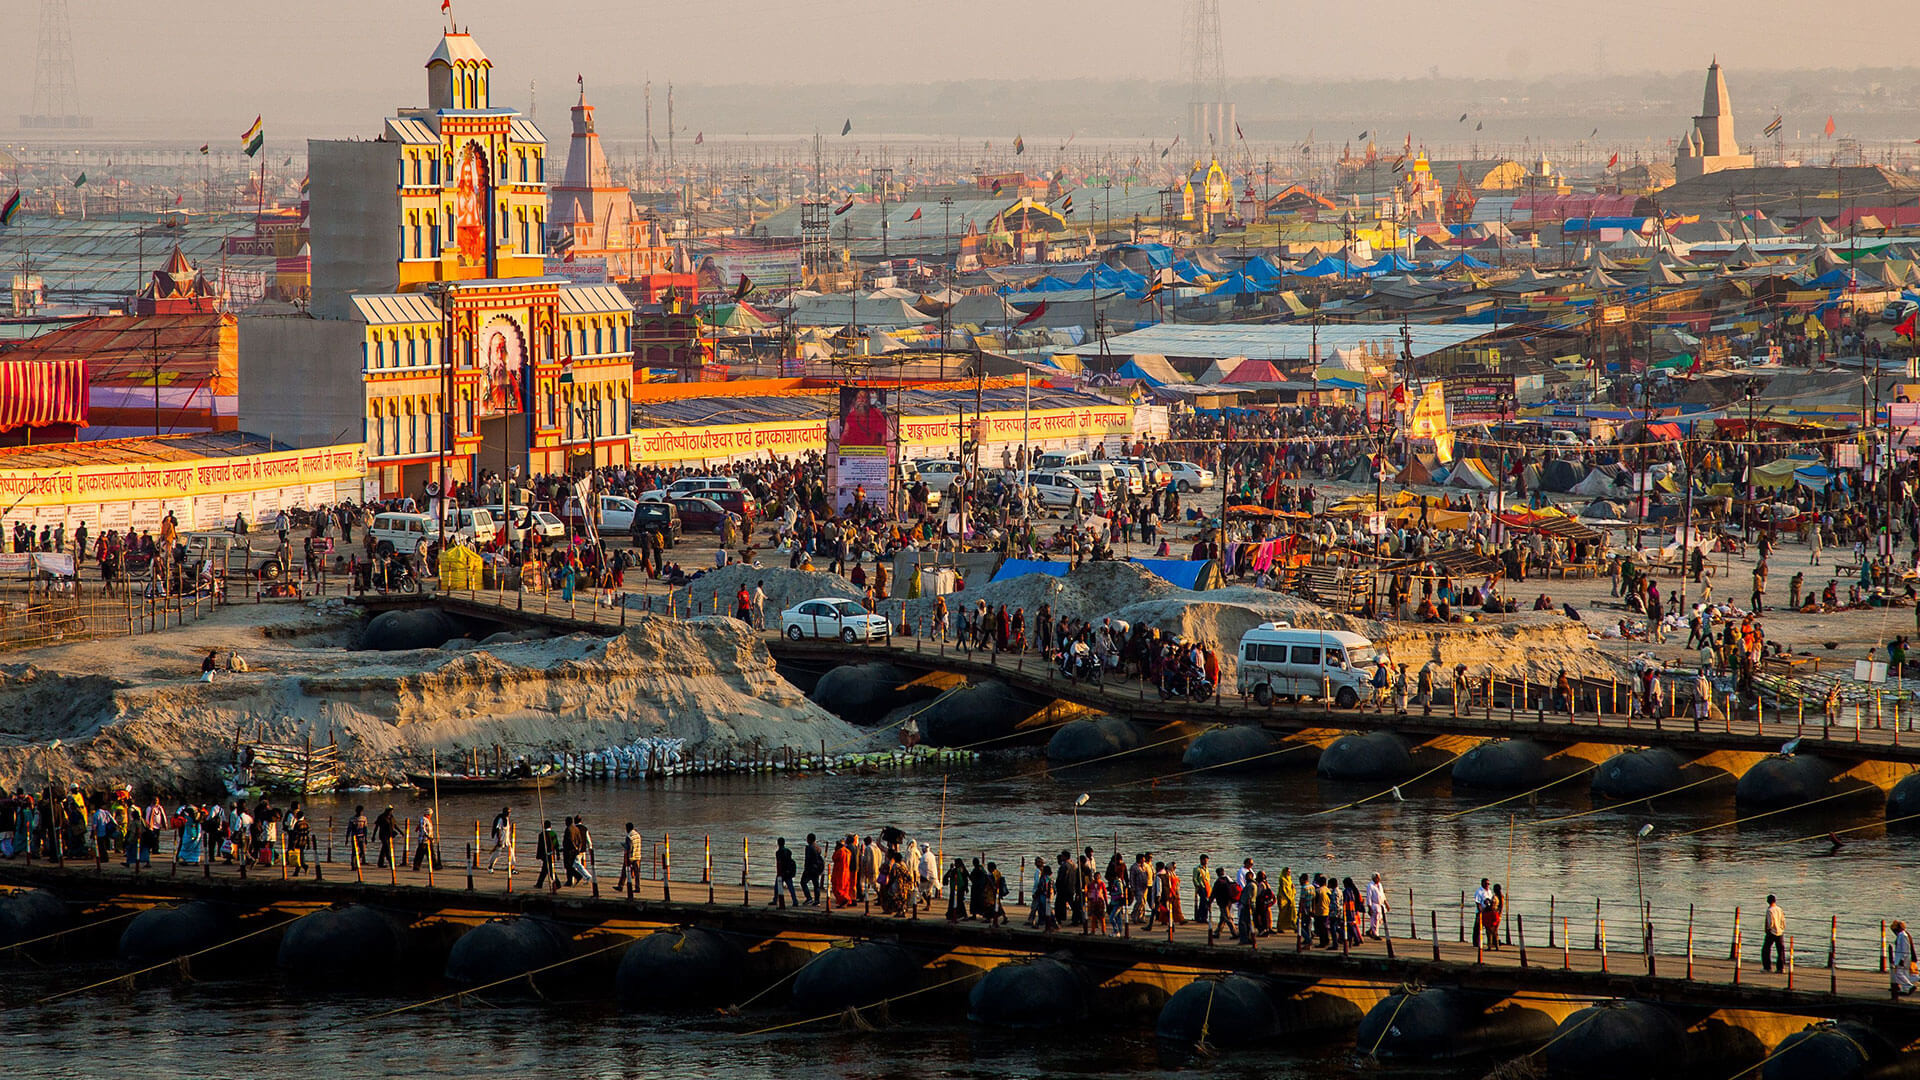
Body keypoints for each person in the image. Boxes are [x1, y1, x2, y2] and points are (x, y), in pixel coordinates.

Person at [1892, 920, 1916, 999]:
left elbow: (1905, 948)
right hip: (1903, 957)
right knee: (1905, 974)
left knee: (1899, 973)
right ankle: (1905, 989)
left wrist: (1902, 959)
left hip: (1903, 958)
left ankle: (1909, 986)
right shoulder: (1901, 935)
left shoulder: (1903, 935)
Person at [1762, 894, 1786, 972]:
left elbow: (1770, 922)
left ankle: (1767, 967)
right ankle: (1781, 968)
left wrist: (1768, 929)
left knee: (1766, 949)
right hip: (1780, 931)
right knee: (1780, 950)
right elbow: (1783, 920)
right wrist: (1782, 928)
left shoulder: (1769, 910)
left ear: (1768, 901)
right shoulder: (1780, 909)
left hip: (1772, 932)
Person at [800, 833, 825, 906]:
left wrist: (806, 868)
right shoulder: (818, 847)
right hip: (817, 868)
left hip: (810, 868)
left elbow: (807, 859)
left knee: (803, 882)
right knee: (816, 885)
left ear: (809, 839)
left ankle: (809, 898)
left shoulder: (809, 848)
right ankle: (817, 901)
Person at [485, 805, 511, 872]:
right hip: (500, 838)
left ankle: (511, 867)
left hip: (506, 839)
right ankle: (490, 867)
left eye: (509, 812)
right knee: (497, 853)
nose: (509, 814)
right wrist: (499, 840)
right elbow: (498, 829)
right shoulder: (500, 819)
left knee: (510, 852)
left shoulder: (507, 819)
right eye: (508, 812)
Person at [774, 837, 798, 908]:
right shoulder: (788, 851)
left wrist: (779, 873)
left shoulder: (778, 853)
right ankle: (795, 901)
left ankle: (775, 900)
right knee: (791, 887)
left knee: (777, 887)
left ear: (778, 843)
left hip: (782, 872)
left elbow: (779, 863)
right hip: (788, 871)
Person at [1473, 878, 1495, 949]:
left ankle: (1491, 942)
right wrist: (1480, 912)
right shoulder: (1479, 891)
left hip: (1488, 911)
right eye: (1486, 884)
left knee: (1489, 928)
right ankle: (1476, 942)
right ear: (1482, 883)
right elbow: (1478, 902)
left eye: (1488, 884)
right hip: (1481, 911)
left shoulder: (1489, 891)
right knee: (1478, 927)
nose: (1487, 885)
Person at [1366, 873, 1388, 939]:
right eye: (1377, 878)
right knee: (1375, 920)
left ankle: (1371, 930)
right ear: (1374, 878)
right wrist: (1369, 907)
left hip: (1381, 904)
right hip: (1374, 904)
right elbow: (1369, 897)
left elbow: (1383, 895)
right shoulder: (1370, 886)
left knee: (1381, 919)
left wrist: (1386, 904)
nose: (1379, 879)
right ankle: (1375, 934)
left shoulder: (1380, 885)